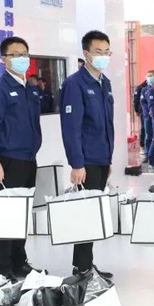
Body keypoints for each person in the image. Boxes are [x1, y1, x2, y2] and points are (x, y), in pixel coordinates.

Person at [0, 37, 45, 283]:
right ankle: (4, 267)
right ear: (3, 59)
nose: (21, 59)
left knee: (22, 214)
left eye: (24, 54)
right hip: (8, 161)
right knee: (6, 215)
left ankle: (20, 261)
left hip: (29, 159)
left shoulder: (31, 89)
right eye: (15, 55)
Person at [60, 30, 115, 278]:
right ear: (86, 54)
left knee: (93, 214)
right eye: (98, 52)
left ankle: (85, 264)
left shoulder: (105, 83)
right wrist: (77, 163)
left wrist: (108, 159)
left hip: (101, 158)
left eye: (107, 52)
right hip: (86, 161)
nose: (103, 56)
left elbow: (107, 124)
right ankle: (82, 267)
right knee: (86, 214)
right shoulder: (75, 84)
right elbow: (71, 127)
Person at [133, 73, 154, 159]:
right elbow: (138, 100)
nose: (150, 77)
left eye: (152, 76)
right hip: (145, 114)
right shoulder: (142, 88)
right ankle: (146, 152)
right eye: (149, 76)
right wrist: (137, 110)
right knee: (146, 132)